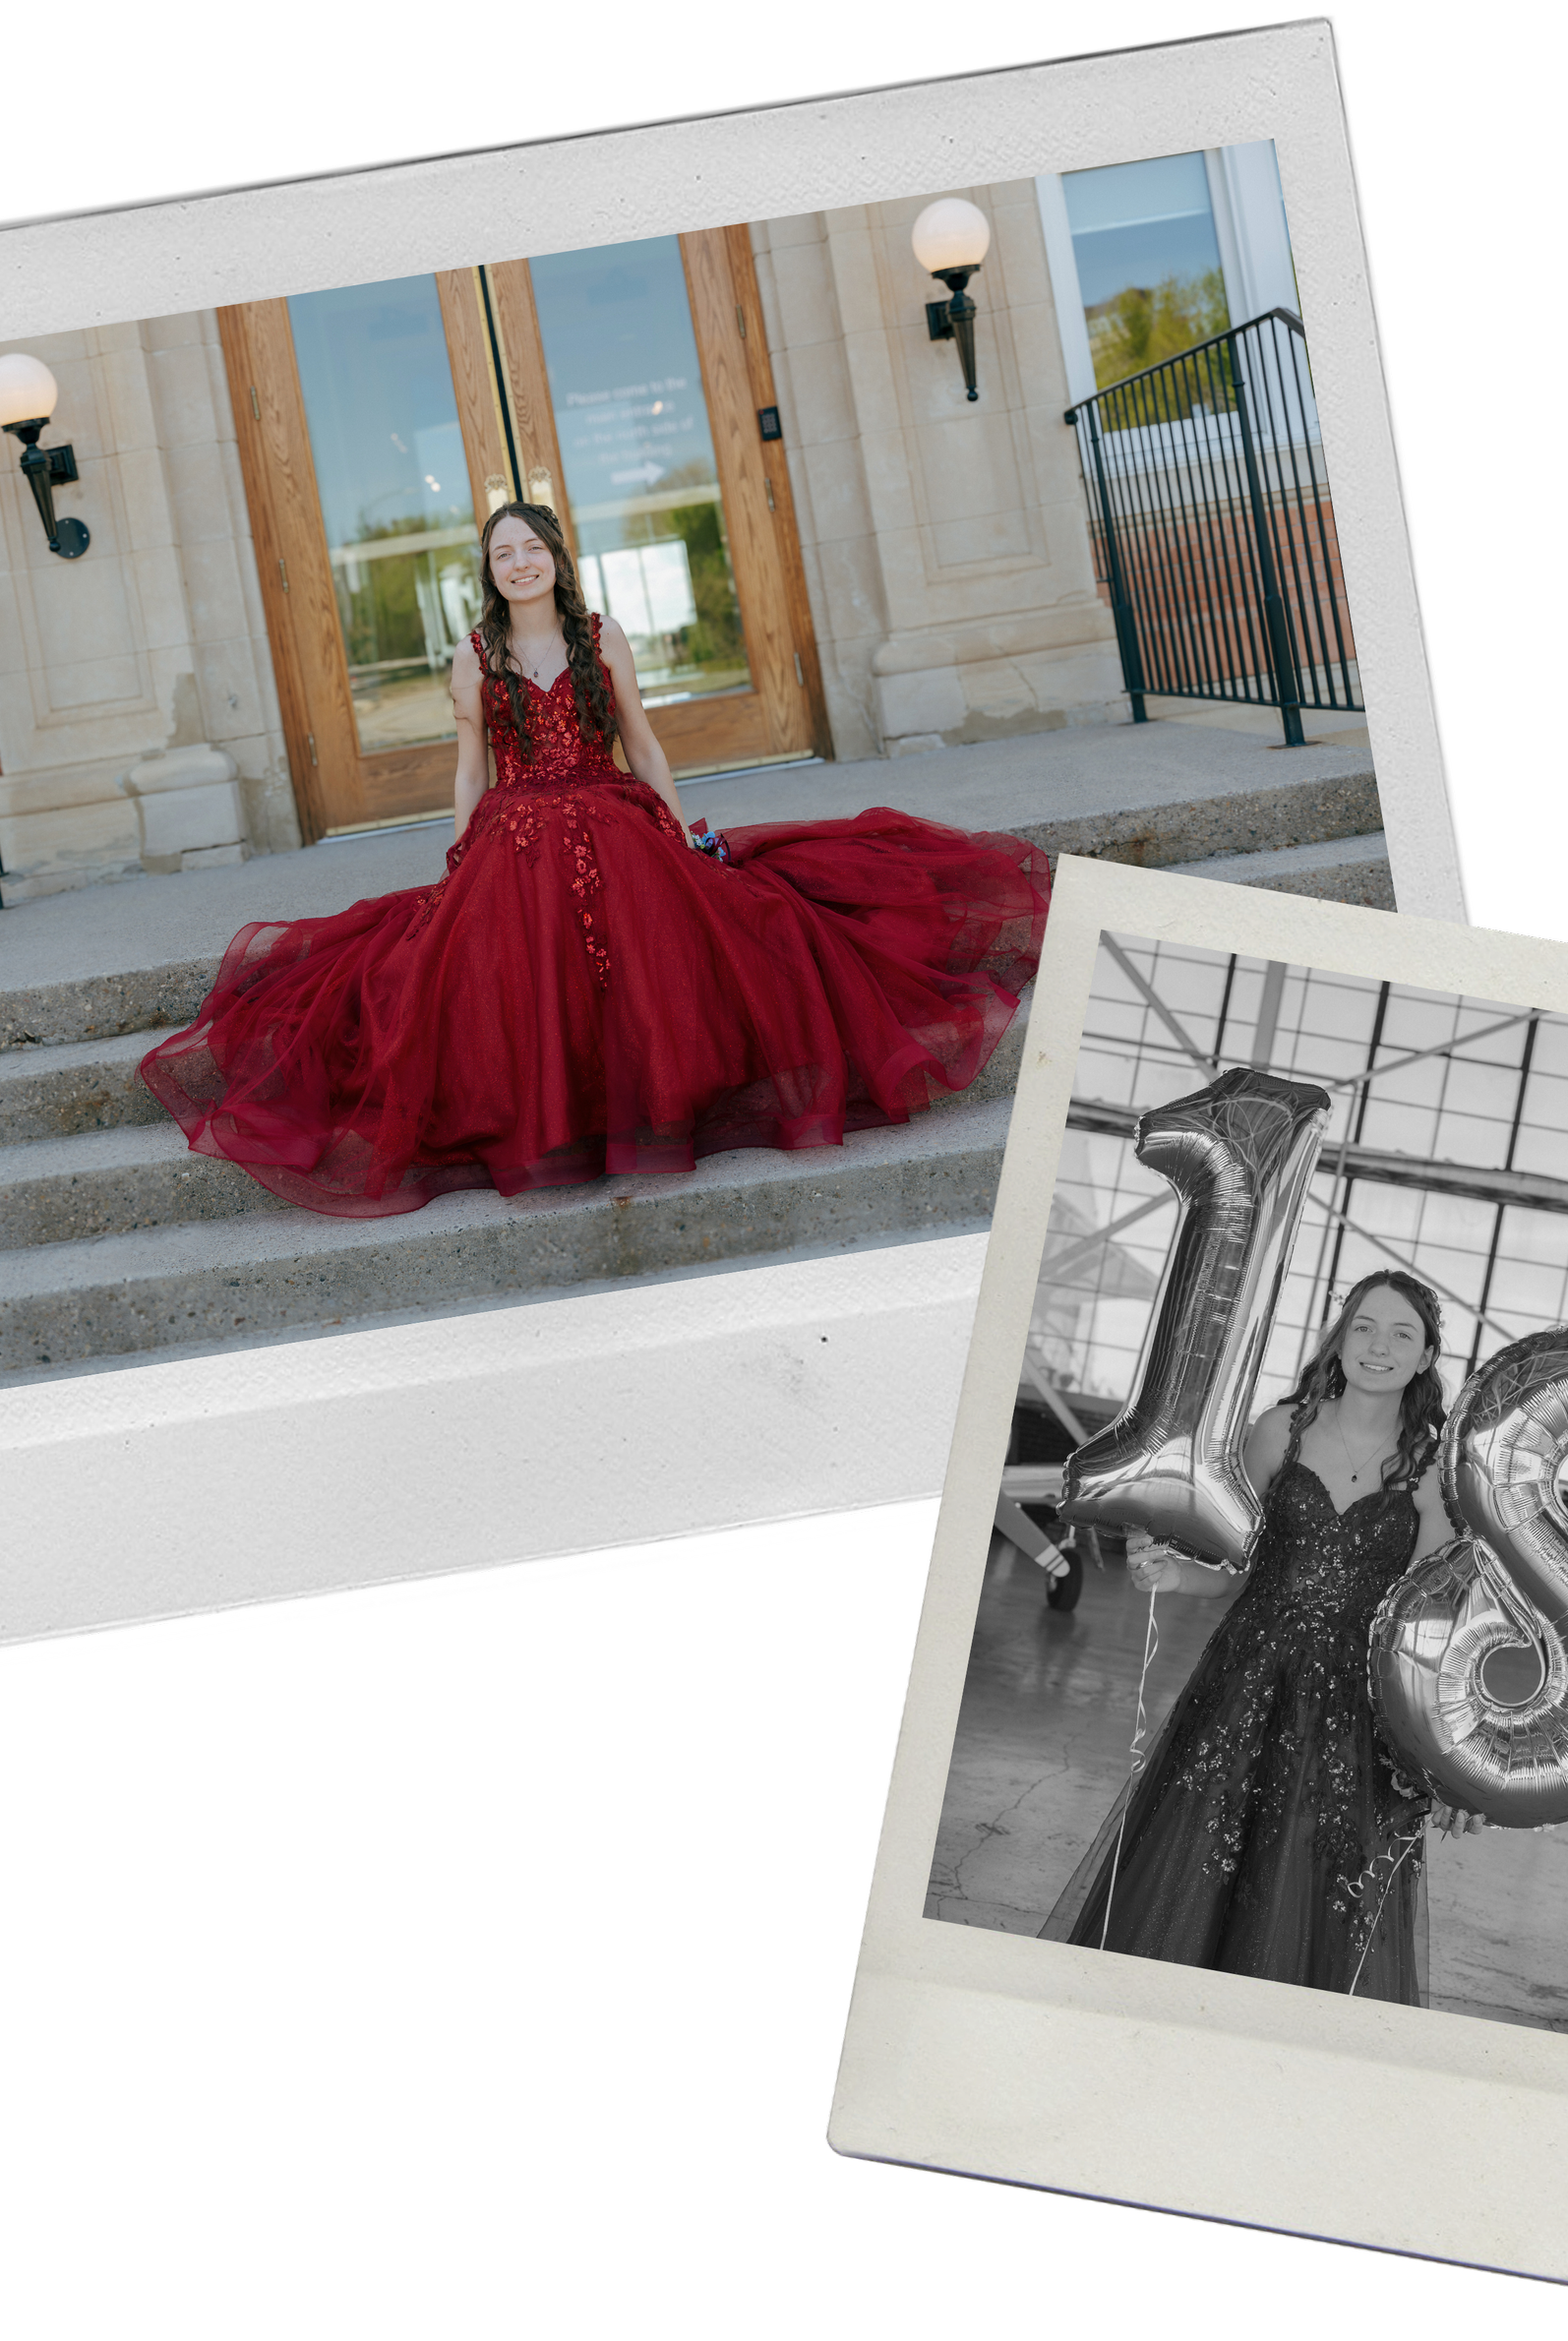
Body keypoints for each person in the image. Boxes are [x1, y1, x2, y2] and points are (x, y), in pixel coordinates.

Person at [140, 504, 1052, 1219]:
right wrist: (459, 854)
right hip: (513, 833)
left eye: (532, 547)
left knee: (667, 953)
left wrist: (683, 828)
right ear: (489, 572)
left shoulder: (600, 635)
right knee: (517, 975)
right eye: (503, 553)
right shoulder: (474, 656)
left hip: (613, 813)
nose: (520, 563)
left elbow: (644, 746)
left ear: (555, 559)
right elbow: (471, 770)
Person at [1043, 1270, 1484, 2003]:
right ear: (1338, 1338)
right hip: (1243, 1686)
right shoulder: (1279, 1431)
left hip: (1357, 1713)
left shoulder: (1435, 1471)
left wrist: (1448, 1756)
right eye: (1364, 1326)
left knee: (1311, 1892)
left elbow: (1428, 1625)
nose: (1379, 1346)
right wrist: (1173, 1575)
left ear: (1427, 1354)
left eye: (1402, 1333)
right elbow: (1233, 1570)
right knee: (1193, 1876)